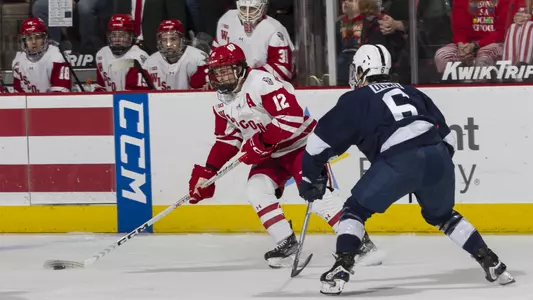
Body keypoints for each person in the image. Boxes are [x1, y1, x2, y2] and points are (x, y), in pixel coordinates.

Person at [298, 44, 515, 295]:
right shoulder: (412, 91)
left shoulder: (356, 98)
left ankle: (342, 267)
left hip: (399, 160)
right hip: (438, 155)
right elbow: (449, 140)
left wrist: (310, 176)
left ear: (360, 70)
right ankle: (492, 262)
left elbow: (317, 145)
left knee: (354, 211)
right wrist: (428, 168)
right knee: (443, 216)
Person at [187, 43, 380, 268]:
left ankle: (361, 243)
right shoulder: (222, 102)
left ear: (240, 68)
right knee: (256, 190)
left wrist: (260, 141)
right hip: (271, 154)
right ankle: (286, 242)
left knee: (318, 199)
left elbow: (292, 117)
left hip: (301, 146)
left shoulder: (261, 83)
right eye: (217, 73)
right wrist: (208, 171)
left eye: (226, 70)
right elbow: (227, 140)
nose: (222, 77)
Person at [212, 0, 295, 82]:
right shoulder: (227, 20)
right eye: (244, 8)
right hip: (229, 81)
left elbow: (283, 71)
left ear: (264, 8)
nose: (247, 14)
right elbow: (215, 55)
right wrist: (214, 78)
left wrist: (246, 75)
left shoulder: (274, 29)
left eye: (252, 9)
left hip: (261, 86)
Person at [142, 20, 209, 90]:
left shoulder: (198, 58)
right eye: (164, 40)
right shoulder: (150, 62)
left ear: (181, 40)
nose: (168, 44)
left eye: (173, 39)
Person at [12, 18, 71, 93]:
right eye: (29, 38)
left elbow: (60, 95)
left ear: (45, 38)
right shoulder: (18, 62)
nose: (33, 42)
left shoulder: (57, 57)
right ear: (24, 41)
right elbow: (18, 96)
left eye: (38, 37)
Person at [95, 14, 149, 91]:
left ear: (131, 36)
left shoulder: (138, 57)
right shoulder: (102, 54)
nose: (117, 39)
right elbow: (101, 86)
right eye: (114, 35)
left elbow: (136, 94)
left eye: (122, 35)